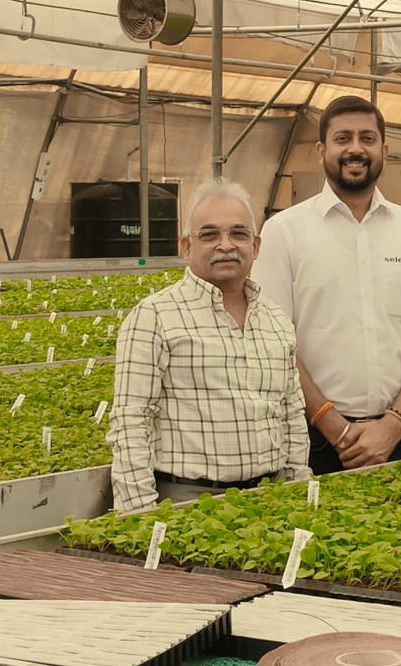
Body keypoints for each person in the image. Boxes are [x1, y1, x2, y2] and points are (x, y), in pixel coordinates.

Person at [253, 95, 401, 475]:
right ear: (321, 150)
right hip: (312, 436)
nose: (355, 149)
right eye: (342, 138)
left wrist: (395, 423)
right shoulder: (284, 232)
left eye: (367, 138)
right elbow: (272, 344)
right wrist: (335, 425)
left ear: (384, 149)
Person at [108, 178, 309, 516]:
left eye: (239, 234)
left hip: (273, 498)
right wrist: (140, 514)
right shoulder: (155, 317)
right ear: (186, 246)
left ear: (256, 246)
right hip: (188, 500)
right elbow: (131, 423)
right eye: (210, 234)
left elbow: (292, 417)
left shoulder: (276, 319)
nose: (226, 245)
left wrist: (298, 490)